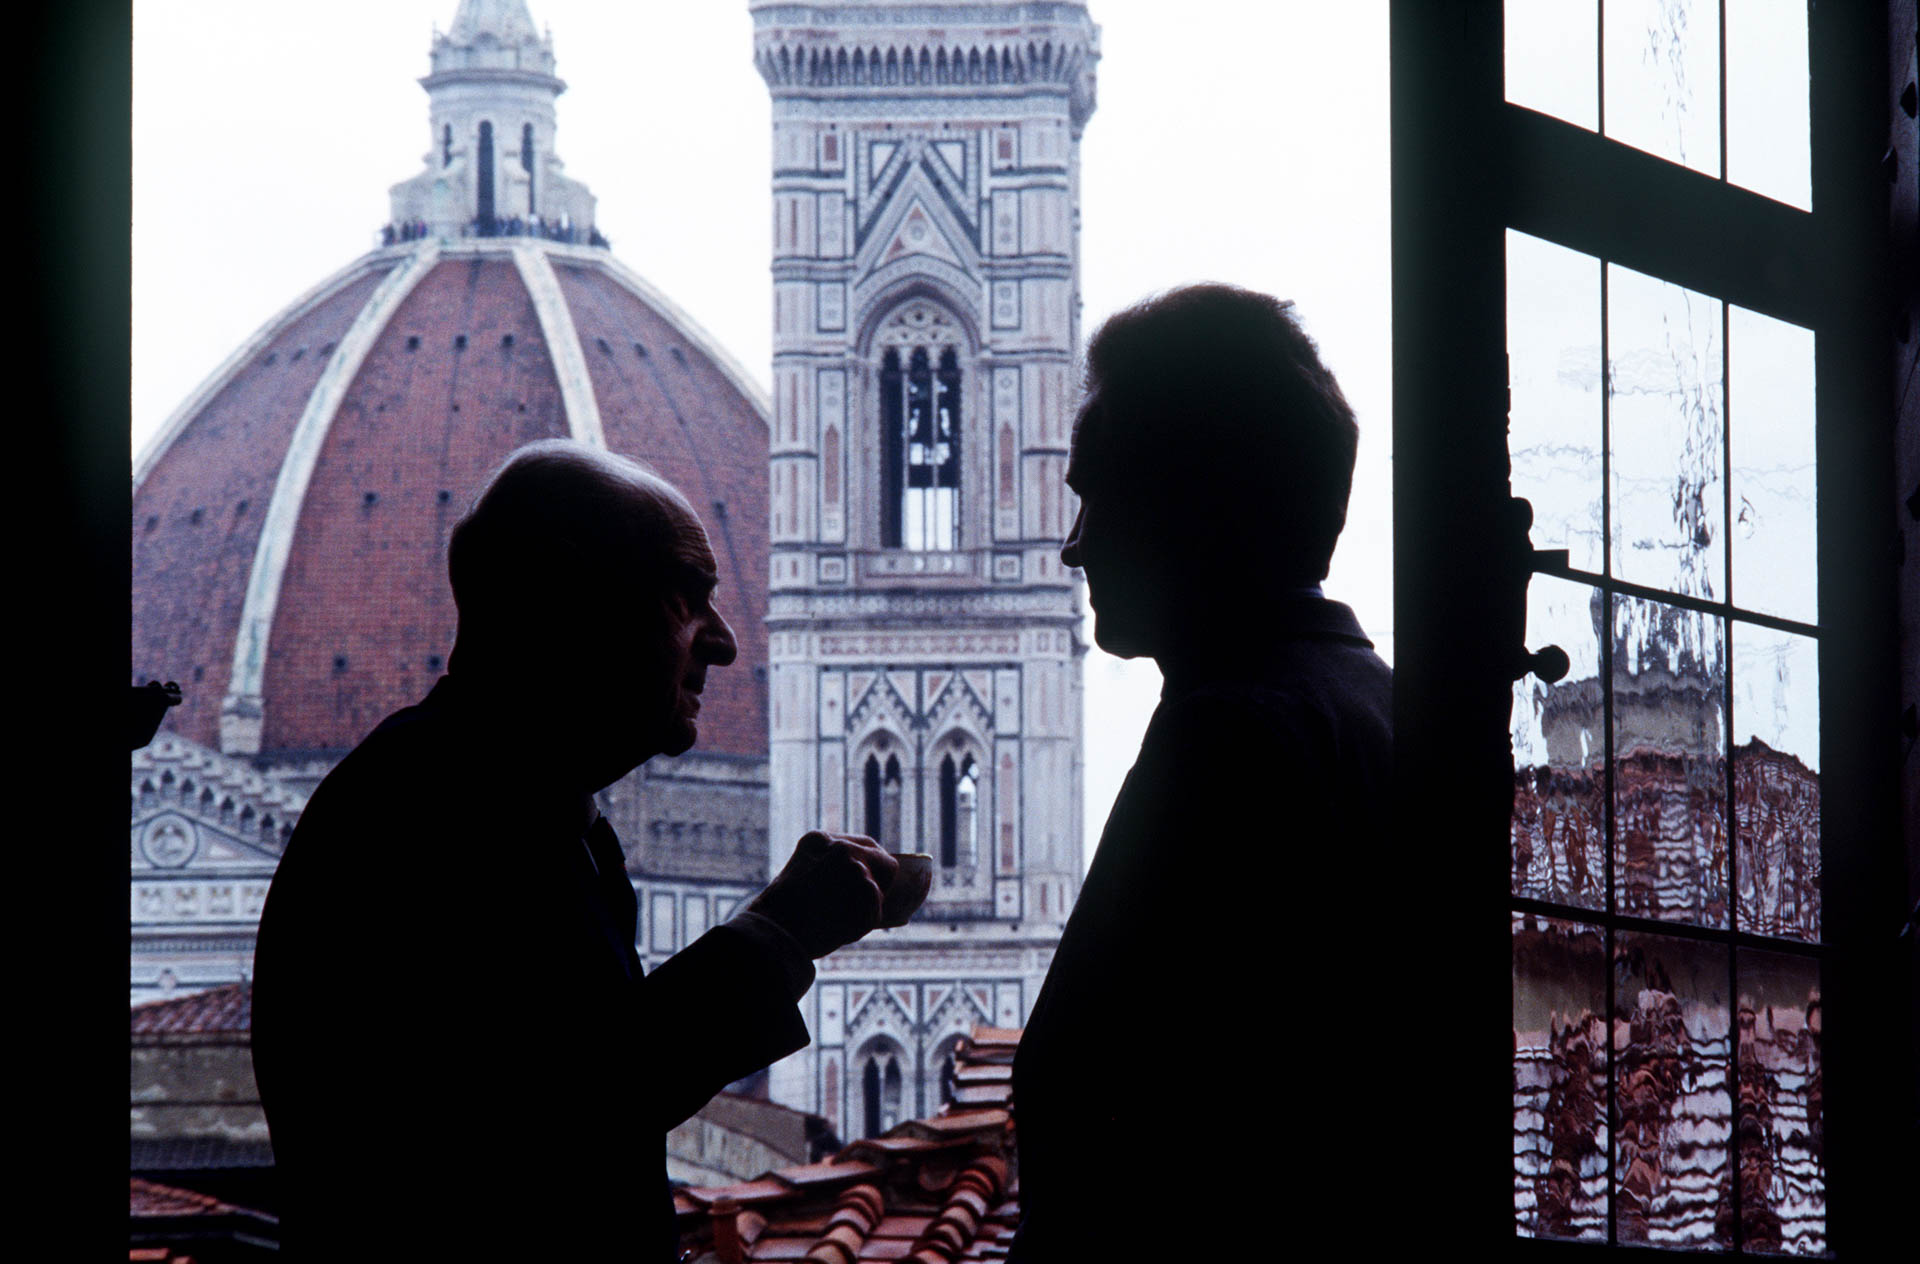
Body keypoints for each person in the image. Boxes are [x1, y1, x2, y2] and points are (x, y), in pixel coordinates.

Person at [252, 441, 903, 1260]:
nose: (727, 644)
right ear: (563, 599)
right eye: (686, 597)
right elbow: (549, 1115)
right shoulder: (427, 809)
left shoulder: (541, 811)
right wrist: (776, 935)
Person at [1008, 285, 1393, 1259]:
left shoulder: (1229, 734)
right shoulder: (1383, 707)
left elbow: (1094, 1088)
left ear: (1189, 509)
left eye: (1096, 497)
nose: (1073, 545)